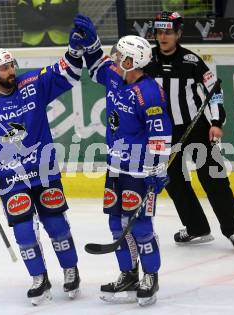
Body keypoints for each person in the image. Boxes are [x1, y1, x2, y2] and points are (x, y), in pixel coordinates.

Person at [0, 29, 85, 305]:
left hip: (43, 171)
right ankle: (39, 278)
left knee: (56, 225)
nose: (11, 70)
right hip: (10, 178)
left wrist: (75, 51)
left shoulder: (33, 83)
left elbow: (66, 73)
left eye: (11, 65)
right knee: (23, 232)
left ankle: (70, 269)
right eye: (4, 67)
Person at [72, 15, 172, 306]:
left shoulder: (148, 92)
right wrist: (89, 40)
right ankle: (128, 274)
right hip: (115, 167)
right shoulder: (117, 75)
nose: (114, 59)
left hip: (140, 171)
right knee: (117, 224)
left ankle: (150, 277)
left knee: (140, 226)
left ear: (132, 62)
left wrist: (158, 168)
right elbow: (95, 65)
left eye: (120, 56)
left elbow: (160, 133)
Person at [143, 11, 234, 250]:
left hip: (196, 128)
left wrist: (216, 123)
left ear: (178, 33)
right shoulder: (147, 61)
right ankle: (196, 228)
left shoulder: (192, 61)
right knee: (174, 181)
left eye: (168, 32)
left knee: (213, 177)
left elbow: (214, 91)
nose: (163, 36)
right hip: (163, 132)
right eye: (159, 32)